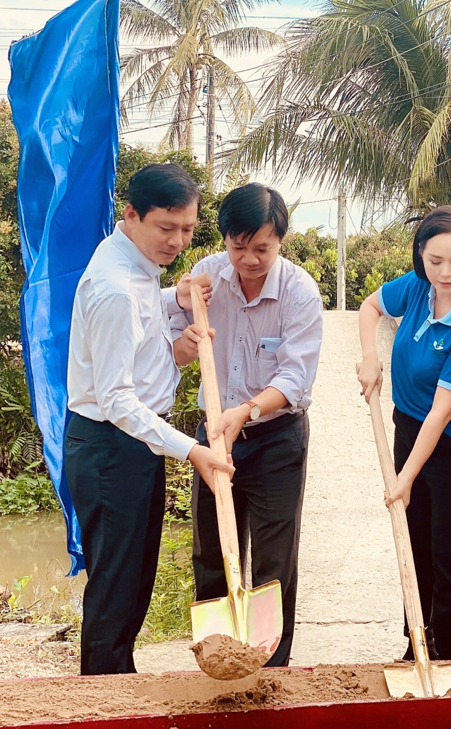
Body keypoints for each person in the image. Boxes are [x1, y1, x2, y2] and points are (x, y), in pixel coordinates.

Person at [66, 163, 233, 676]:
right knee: (117, 587)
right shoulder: (115, 287)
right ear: (131, 214)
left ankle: (117, 683)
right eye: (167, 227)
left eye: (188, 229)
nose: (178, 241)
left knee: (134, 580)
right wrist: (193, 449)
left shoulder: (133, 266)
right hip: (111, 446)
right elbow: (116, 399)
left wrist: (174, 299)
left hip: (131, 446)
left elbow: (142, 312)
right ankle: (104, 697)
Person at [170, 183, 323, 667]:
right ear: (225, 240)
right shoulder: (206, 279)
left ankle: (272, 668)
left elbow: (296, 376)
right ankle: (217, 662)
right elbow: (171, 346)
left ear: (281, 239)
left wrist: (249, 411)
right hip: (214, 434)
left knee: (276, 561)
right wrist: (185, 332)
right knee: (211, 550)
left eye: (262, 248)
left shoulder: (299, 291)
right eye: (239, 247)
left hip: (276, 437)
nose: (249, 259)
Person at [356, 206, 451, 660]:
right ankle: (416, 644)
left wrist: (404, 479)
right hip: (408, 430)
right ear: (421, 252)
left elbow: (441, 416)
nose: (444, 273)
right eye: (435, 259)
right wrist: (370, 357)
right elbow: (370, 306)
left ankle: (448, 657)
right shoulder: (418, 286)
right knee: (415, 546)